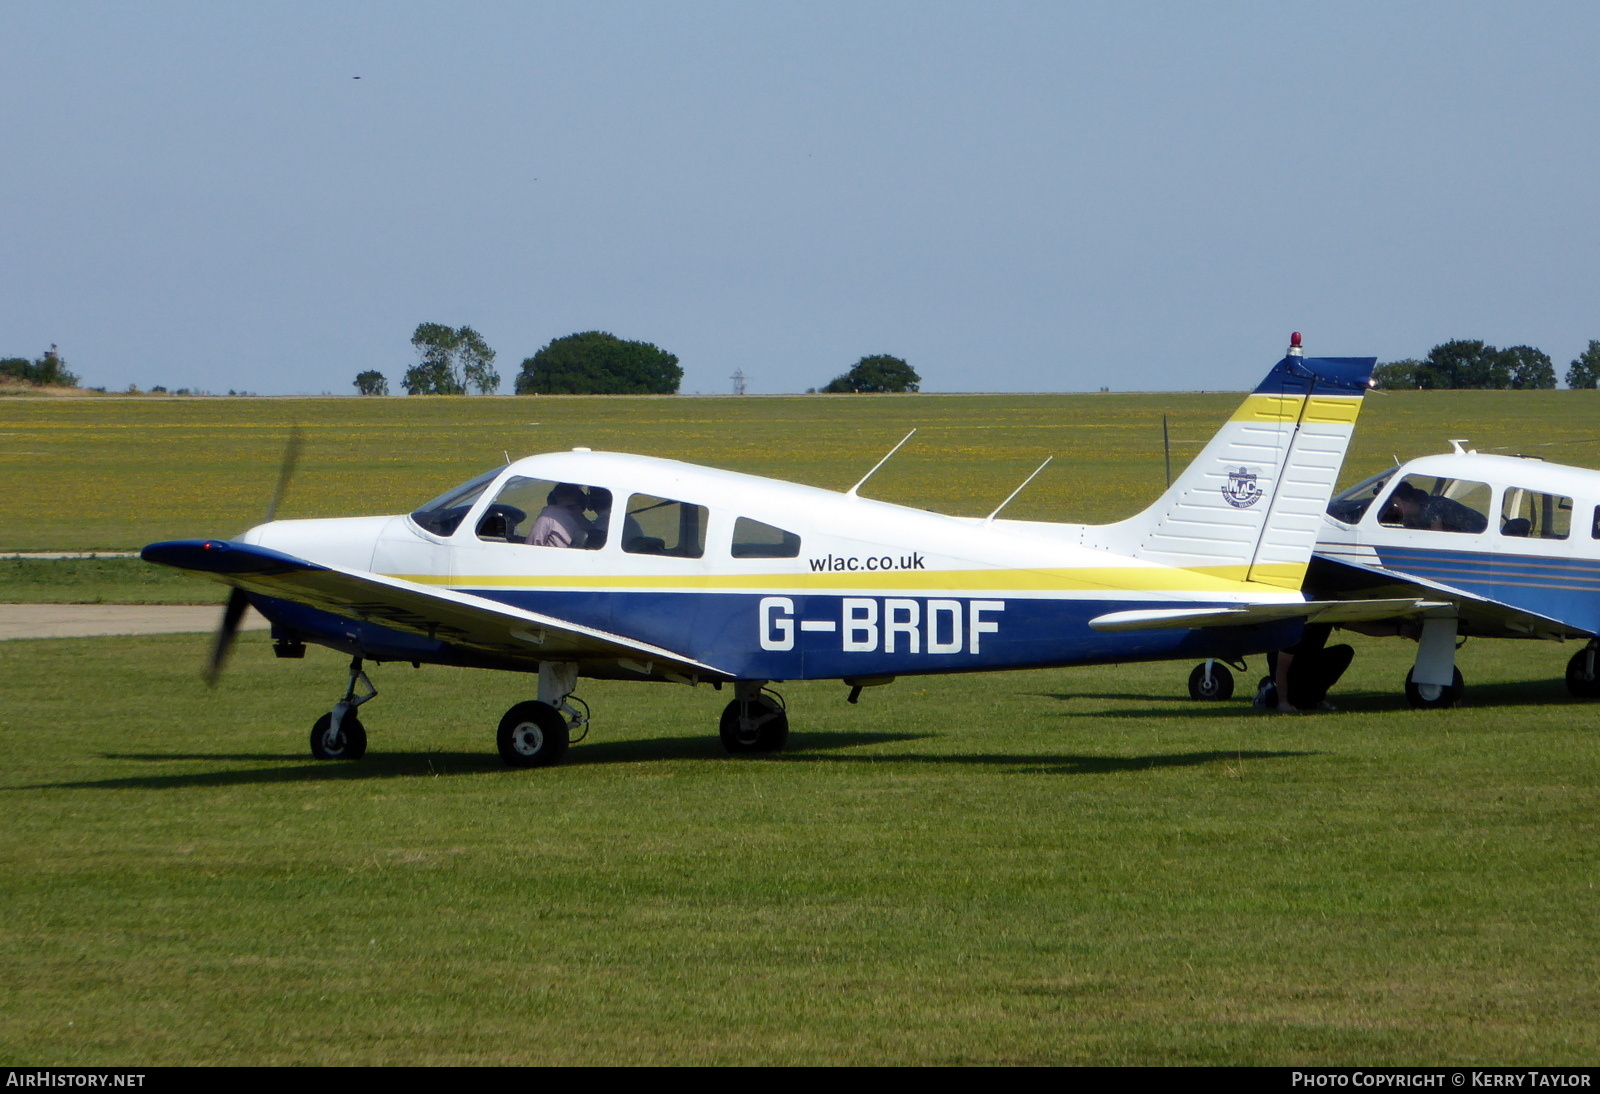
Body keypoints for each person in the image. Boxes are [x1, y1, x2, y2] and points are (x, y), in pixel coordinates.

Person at [1264, 623, 1354, 713]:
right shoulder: (1297, 629)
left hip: (1309, 659)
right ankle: (1267, 691)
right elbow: (1281, 670)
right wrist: (1283, 703)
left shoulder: (1326, 617)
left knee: (1345, 652)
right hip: (1287, 665)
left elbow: (1352, 624)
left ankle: (1317, 698)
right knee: (1299, 703)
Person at [526, 483, 597, 548]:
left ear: (552, 500)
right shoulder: (591, 527)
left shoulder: (549, 515)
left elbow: (530, 546)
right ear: (583, 502)